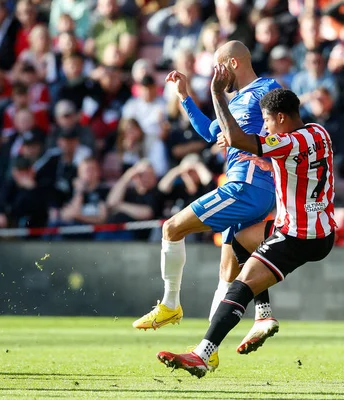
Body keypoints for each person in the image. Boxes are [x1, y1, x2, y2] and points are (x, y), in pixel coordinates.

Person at [157, 87, 336, 378]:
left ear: (281, 117)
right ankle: (263, 316)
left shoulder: (288, 143)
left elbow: (241, 140)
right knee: (241, 242)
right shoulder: (319, 133)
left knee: (241, 285)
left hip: (298, 236)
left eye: (267, 120)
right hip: (323, 230)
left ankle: (202, 354)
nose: (265, 126)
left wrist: (217, 94)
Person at [132, 41, 280, 370]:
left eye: (218, 66)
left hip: (247, 185)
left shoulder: (266, 88)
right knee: (228, 270)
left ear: (232, 64)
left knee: (172, 228)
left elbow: (280, 123)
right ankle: (208, 349)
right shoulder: (237, 100)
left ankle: (170, 304)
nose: (215, 74)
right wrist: (185, 96)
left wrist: (262, 145)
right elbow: (211, 132)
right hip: (249, 188)